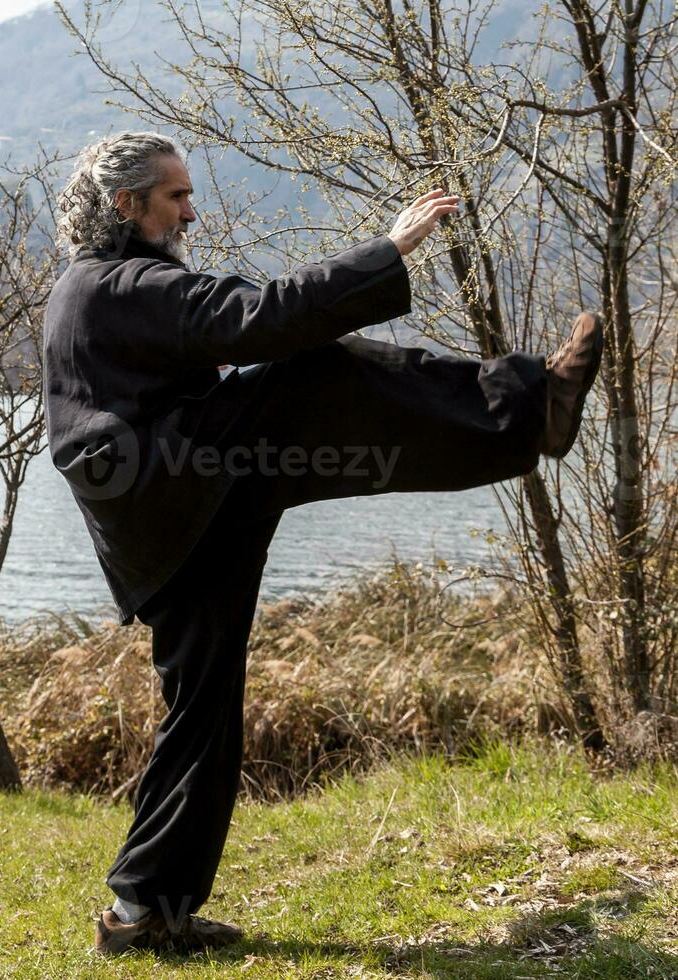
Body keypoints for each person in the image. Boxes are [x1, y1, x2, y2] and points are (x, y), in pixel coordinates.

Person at [42, 131, 603, 956]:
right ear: (126, 204)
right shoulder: (120, 286)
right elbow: (261, 318)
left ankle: (144, 914)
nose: (191, 212)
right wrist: (388, 248)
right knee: (318, 375)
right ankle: (527, 412)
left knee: (201, 712)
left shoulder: (95, 288)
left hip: (166, 521)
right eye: (176, 197)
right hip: (179, 492)